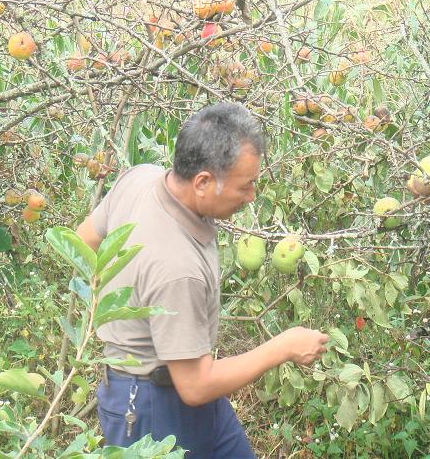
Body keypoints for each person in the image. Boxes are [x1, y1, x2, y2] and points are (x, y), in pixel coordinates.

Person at [76, 102, 329, 457]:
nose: (251, 196)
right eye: (246, 186)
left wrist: (124, 301)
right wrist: (282, 347)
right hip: (150, 408)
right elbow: (194, 386)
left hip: (191, 390)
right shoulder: (177, 268)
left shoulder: (141, 178)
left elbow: (83, 240)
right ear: (203, 182)